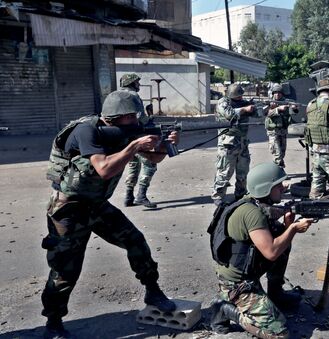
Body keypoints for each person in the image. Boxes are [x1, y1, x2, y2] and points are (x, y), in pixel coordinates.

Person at [42, 90, 179, 339]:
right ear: (120, 116)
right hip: (68, 208)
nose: (138, 121)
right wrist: (134, 144)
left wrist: (165, 144)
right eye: (133, 116)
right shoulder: (86, 131)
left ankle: (153, 291)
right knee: (65, 268)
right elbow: (104, 169)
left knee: (136, 241)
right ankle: (53, 323)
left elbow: (153, 158)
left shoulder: (127, 132)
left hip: (96, 204)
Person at [209, 162, 314, 339]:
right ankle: (224, 309)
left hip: (249, 272)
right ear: (265, 188)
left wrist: (287, 226)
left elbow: (274, 242)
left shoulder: (256, 204)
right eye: (278, 185)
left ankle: (276, 294)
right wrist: (294, 228)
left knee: (283, 240)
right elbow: (271, 252)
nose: (283, 188)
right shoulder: (252, 213)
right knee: (278, 333)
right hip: (237, 284)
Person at [211, 83, 256, 206]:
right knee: (225, 171)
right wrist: (244, 110)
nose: (241, 98)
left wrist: (268, 108)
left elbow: (257, 113)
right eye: (238, 96)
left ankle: (240, 195)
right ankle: (218, 196)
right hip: (227, 144)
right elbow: (229, 114)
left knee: (243, 171)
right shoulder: (222, 102)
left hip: (242, 143)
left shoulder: (243, 102)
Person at [119, 73, 159, 208]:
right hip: (138, 134)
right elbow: (141, 116)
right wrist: (149, 122)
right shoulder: (133, 96)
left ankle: (128, 196)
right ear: (131, 83)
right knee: (150, 163)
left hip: (124, 137)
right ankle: (141, 195)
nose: (139, 85)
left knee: (133, 164)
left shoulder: (116, 95)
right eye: (137, 82)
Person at [265, 83, 298, 168]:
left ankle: (280, 168)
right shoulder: (269, 102)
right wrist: (278, 109)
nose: (277, 94)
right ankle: (277, 173)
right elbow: (267, 113)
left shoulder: (286, 101)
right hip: (273, 131)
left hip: (283, 130)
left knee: (282, 152)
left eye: (279, 93)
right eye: (275, 93)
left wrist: (294, 108)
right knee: (277, 153)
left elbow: (294, 111)